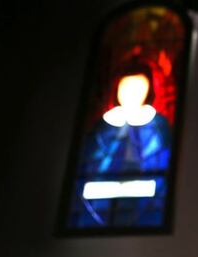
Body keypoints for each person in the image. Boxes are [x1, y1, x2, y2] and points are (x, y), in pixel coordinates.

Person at [70, 60, 171, 227]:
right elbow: (87, 160)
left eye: (138, 87)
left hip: (145, 199)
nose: (131, 93)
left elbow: (163, 157)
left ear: (148, 90)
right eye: (126, 87)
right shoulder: (103, 125)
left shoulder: (158, 125)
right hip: (99, 197)